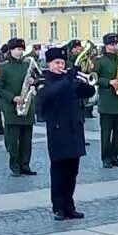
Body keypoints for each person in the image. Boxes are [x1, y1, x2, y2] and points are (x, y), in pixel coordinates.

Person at [36, 46, 95, 219]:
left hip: (74, 130)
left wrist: (84, 81)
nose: (60, 65)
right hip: (58, 131)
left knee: (72, 172)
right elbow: (47, 96)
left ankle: (69, 205)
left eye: (62, 62)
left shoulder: (69, 79)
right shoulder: (44, 80)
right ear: (49, 64)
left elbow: (89, 92)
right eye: (56, 63)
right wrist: (67, 79)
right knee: (59, 171)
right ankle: (58, 207)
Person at [0, 38, 37, 176]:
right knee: (13, 140)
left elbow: (37, 79)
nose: (20, 52)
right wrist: (12, 98)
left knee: (26, 140)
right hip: (12, 108)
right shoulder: (2, 67)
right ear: (11, 50)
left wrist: (33, 81)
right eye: (17, 49)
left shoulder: (27, 65)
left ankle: (25, 165)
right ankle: (15, 166)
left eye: (21, 49)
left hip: (27, 106)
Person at [93, 33, 118, 168]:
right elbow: (94, 78)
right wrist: (109, 82)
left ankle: (115, 156)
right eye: (111, 45)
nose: (114, 47)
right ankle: (106, 158)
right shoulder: (99, 61)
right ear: (106, 46)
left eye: (116, 44)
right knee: (106, 133)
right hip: (107, 101)